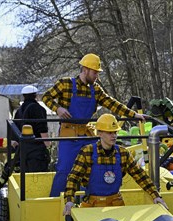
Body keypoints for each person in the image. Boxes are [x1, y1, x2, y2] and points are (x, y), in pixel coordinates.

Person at [42, 53, 145, 197]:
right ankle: (54, 202)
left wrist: (134, 115)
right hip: (68, 135)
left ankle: (92, 199)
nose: (97, 75)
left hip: (87, 134)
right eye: (95, 72)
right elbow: (46, 97)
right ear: (85, 70)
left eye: (97, 72)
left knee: (95, 166)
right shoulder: (65, 84)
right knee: (64, 169)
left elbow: (112, 104)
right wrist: (57, 108)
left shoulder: (95, 90)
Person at [63, 114, 166, 215]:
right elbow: (73, 177)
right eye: (109, 133)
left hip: (116, 203)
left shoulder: (123, 153)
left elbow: (139, 175)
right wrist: (69, 200)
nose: (114, 136)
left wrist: (156, 196)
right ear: (99, 133)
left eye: (115, 132)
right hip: (92, 205)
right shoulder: (87, 152)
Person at [14, 85, 50, 172]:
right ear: (36, 95)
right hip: (37, 149)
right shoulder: (38, 109)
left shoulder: (19, 111)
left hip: (23, 149)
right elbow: (42, 128)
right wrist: (48, 143)